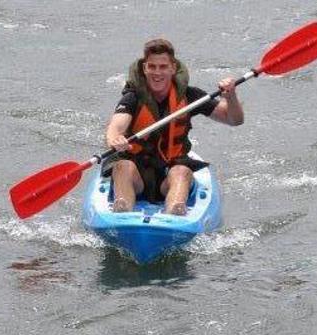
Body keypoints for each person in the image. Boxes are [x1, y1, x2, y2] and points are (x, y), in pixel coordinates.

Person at [104, 37, 245, 216]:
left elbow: (234, 120)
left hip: (170, 172)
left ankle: (175, 212)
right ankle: (122, 210)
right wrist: (115, 140)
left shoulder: (191, 96)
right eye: (152, 66)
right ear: (144, 68)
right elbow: (115, 127)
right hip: (137, 175)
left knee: (182, 171)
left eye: (163, 67)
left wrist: (230, 96)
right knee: (122, 166)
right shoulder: (132, 98)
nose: (157, 73)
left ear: (173, 68)